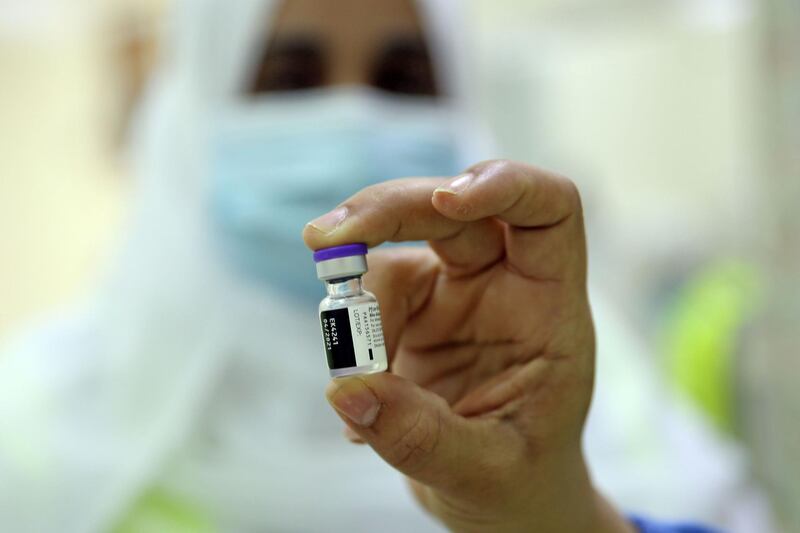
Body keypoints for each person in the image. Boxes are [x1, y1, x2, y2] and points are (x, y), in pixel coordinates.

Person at [0, 0, 764, 531]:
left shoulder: (602, 413)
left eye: (403, 80)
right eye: (291, 80)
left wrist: (559, 517)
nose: (351, 117)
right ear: (192, 111)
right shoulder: (30, 435)